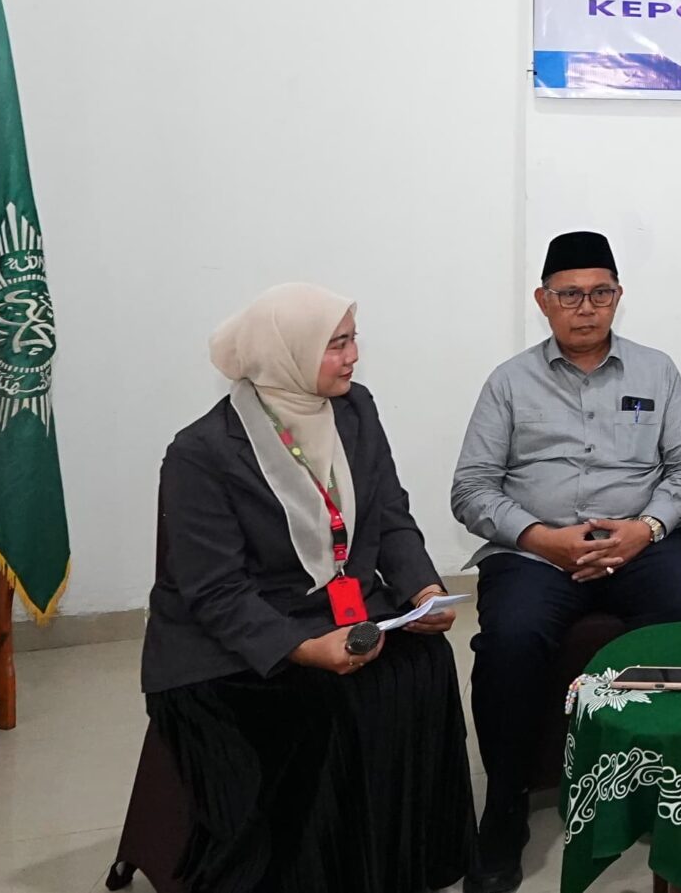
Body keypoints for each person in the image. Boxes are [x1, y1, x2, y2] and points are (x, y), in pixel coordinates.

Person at [142, 284, 472, 893]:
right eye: (336, 344)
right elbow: (214, 591)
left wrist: (422, 588)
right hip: (230, 643)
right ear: (286, 353)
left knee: (422, 660)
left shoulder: (355, 410)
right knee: (321, 701)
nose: (353, 357)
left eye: (352, 340)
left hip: (332, 605)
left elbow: (390, 514)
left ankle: (400, 864)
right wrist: (303, 648)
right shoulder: (201, 452)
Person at [451, 231, 681, 893]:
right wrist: (542, 538)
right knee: (510, 638)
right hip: (537, 552)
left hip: (638, 544)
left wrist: (645, 529)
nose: (586, 308)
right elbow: (471, 487)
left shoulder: (657, 370)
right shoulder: (509, 382)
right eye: (569, 295)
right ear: (544, 301)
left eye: (600, 293)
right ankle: (505, 804)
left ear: (618, 297)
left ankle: (663, 779)